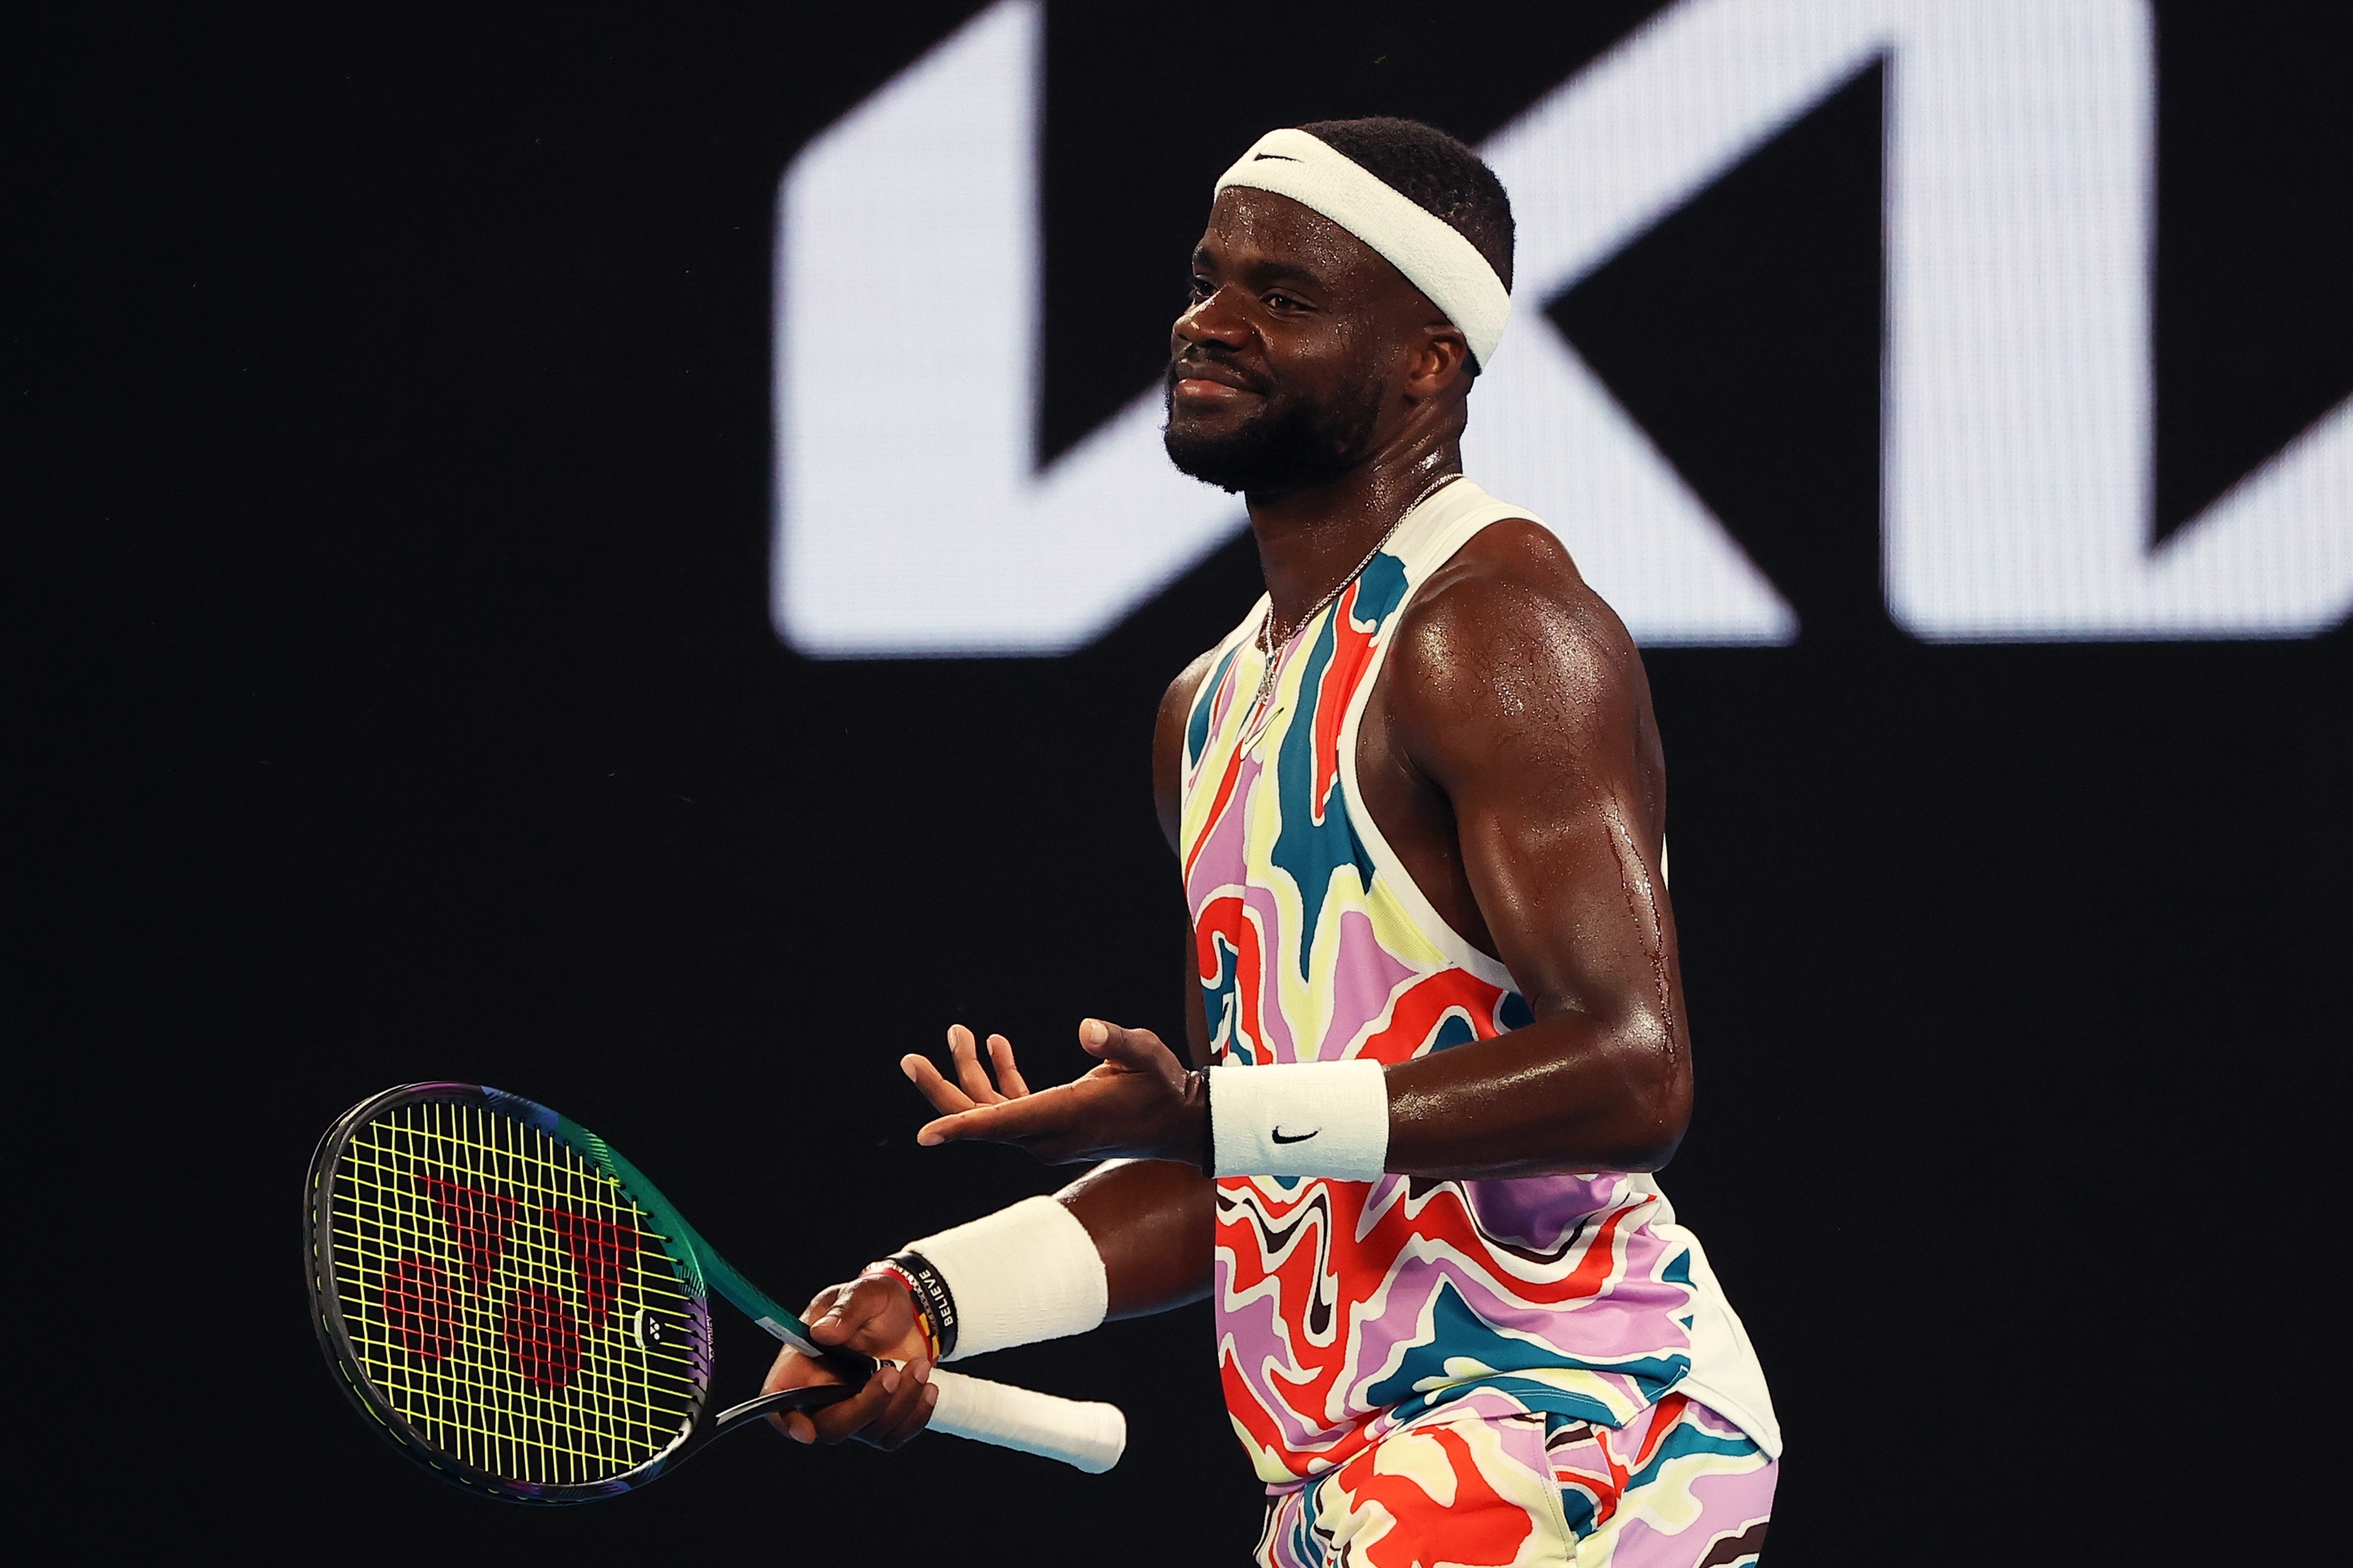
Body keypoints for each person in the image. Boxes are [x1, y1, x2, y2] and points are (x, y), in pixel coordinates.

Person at [765, 117, 1781, 1567]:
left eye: (1284, 296)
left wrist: (1220, 1117)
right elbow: (1239, 1164)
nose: (1209, 322)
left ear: (1429, 360)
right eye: (1206, 278)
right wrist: (932, 1295)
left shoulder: (1491, 627)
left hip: (1578, 1431)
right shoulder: (1209, 704)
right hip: (1355, 1482)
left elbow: (1638, 1068)